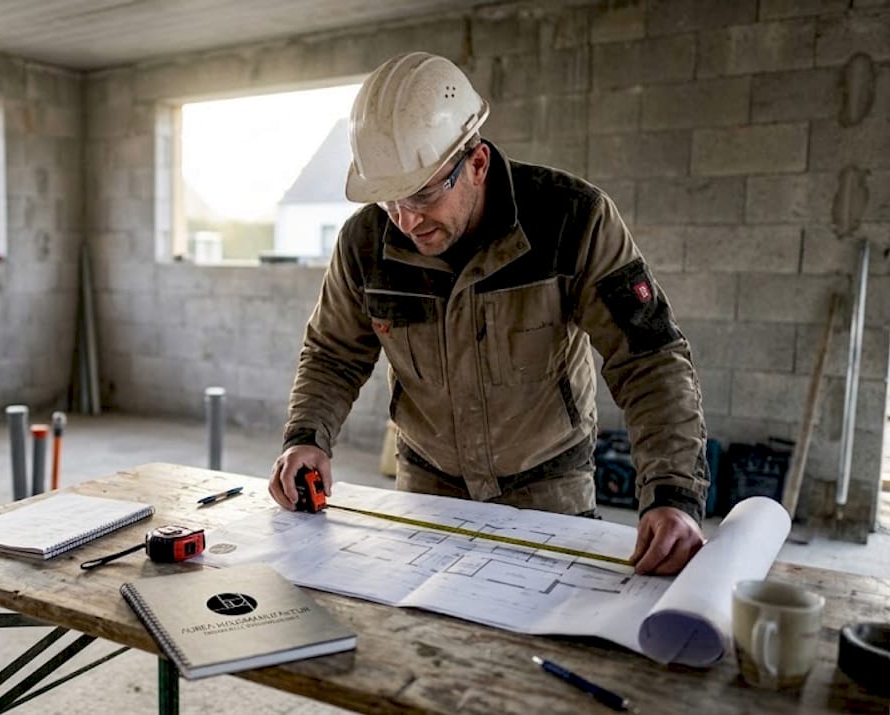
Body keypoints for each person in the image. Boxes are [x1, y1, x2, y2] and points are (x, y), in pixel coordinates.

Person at [267, 52, 709, 576]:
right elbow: (333, 354)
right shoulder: (365, 243)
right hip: (428, 488)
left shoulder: (572, 220)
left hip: (549, 489)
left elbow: (649, 360)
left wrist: (672, 493)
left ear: (476, 164)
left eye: (424, 194)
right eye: (389, 202)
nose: (406, 221)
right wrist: (306, 439)